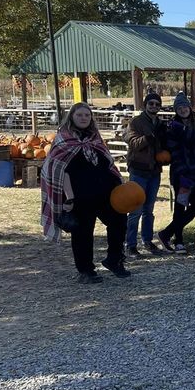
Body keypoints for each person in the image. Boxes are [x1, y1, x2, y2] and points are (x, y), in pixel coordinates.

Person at [40, 102, 129, 283]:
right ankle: (86, 270)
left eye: (87, 115)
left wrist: (119, 184)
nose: (83, 118)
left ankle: (114, 259)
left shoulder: (95, 138)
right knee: (83, 233)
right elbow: (58, 170)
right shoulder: (63, 140)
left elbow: (108, 163)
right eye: (79, 115)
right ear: (72, 117)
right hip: (79, 196)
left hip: (105, 193)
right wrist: (69, 197)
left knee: (119, 222)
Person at [157, 93, 195, 254]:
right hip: (183, 174)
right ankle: (179, 241)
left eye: (184, 106)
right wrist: (181, 171)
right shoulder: (172, 127)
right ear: (176, 110)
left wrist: (184, 131)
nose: (182, 110)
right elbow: (174, 149)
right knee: (181, 205)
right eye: (179, 108)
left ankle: (166, 233)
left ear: (189, 107)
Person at [124, 91, 168, 258]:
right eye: (151, 104)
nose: (154, 106)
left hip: (154, 171)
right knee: (135, 209)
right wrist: (148, 138)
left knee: (149, 209)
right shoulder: (136, 122)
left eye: (157, 104)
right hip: (138, 170)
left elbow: (164, 146)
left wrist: (165, 155)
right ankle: (130, 245)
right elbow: (132, 143)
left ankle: (147, 241)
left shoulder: (161, 124)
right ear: (145, 105)